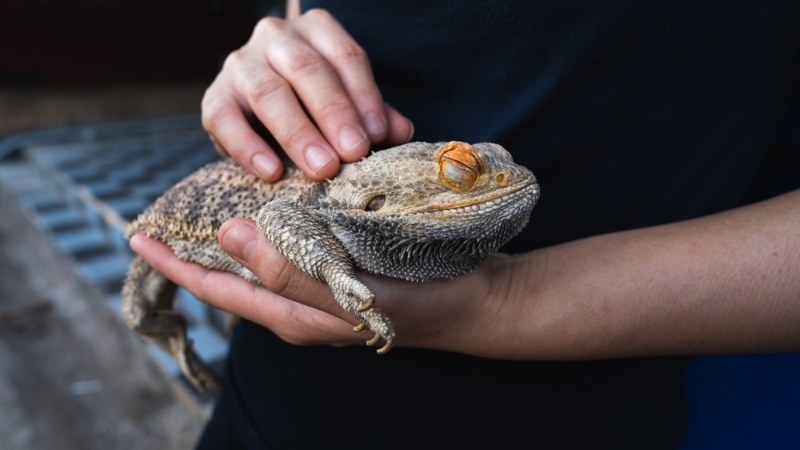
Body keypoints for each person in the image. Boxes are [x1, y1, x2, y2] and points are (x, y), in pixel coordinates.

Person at [131, 1, 800, 448]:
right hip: (270, 409)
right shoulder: (348, 207)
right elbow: (283, 212)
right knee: (146, 294)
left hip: (591, 418)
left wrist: (507, 299)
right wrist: (287, 37)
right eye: (462, 167)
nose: (507, 179)